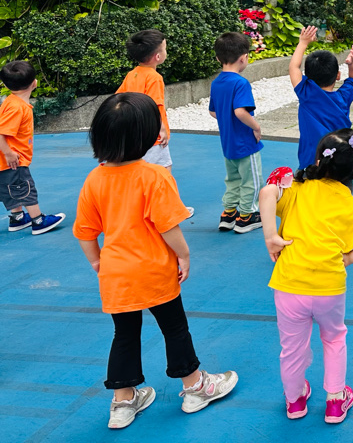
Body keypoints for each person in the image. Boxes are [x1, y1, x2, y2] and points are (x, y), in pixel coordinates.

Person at [72, 92, 238, 430]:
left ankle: (122, 401)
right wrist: (184, 255)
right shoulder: (153, 176)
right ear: (148, 136)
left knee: (124, 334)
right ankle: (194, 386)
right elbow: (168, 227)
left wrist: (98, 263)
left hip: (116, 274)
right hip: (154, 270)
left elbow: (85, 232)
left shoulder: (94, 179)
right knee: (174, 328)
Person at [258, 129, 353, 424]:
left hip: (289, 285)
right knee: (334, 339)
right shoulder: (352, 206)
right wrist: (350, 257)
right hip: (329, 288)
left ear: (320, 159)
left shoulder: (297, 190)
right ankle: (335, 401)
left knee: (292, 347)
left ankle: (295, 400)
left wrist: (270, 236)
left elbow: (267, 193)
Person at [116, 29, 194, 218]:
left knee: (143, 171)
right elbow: (154, 104)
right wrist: (162, 129)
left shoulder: (132, 75)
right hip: (153, 135)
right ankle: (169, 209)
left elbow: (118, 98)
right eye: (165, 49)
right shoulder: (154, 78)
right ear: (158, 56)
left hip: (136, 134)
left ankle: (142, 207)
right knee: (162, 171)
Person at [0, 60, 64, 235]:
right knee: (25, 189)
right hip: (14, 160)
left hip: (8, 161)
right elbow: (1, 133)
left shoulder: (11, 102)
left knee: (13, 188)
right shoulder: (17, 108)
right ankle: (38, 221)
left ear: (5, 85)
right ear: (34, 83)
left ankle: (18, 218)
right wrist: (9, 154)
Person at [209, 32, 263, 234]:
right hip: (245, 142)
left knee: (232, 179)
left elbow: (213, 111)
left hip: (228, 143)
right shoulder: (240, 83)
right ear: (243, 57)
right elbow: (240, 111)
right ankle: (247, 215)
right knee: (252, 180)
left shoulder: (217, 83)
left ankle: (229, 213)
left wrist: (226, 119)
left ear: (218, 58)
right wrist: (256, 127)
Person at [289, 25, 353, 171]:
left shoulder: (306, 93)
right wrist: (351, 64)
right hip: (339, 162)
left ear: (308, 77)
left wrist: (303, 43)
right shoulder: (343, 97)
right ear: (338, 75)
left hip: (311, 162)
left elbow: (293, 68)